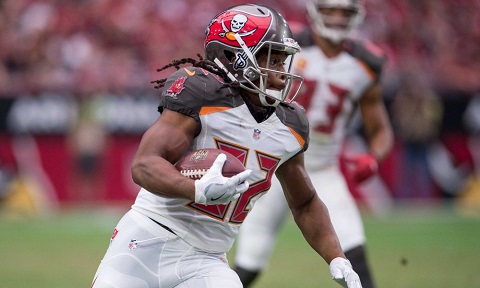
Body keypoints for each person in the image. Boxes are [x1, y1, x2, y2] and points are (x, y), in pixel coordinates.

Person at [91, 4, 362, 288]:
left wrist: (336, 257)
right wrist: (195, 190)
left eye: (284, 61)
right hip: (146, 240)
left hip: (207, 260)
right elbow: (144, 164)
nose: (282, 73)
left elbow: (305, 203)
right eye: (272, 59)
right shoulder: (201, 94)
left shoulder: (291, 124)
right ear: (236, 57)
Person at [234, 1, 393, 287]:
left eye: (345, 12)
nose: (336, 18)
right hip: (271, 162)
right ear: (315, 10)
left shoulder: (365, 64)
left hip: (321, 168)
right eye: (331, 9)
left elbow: (381, 130)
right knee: (248, 264)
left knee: (354, 259)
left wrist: (374, 157)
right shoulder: (284, 44)